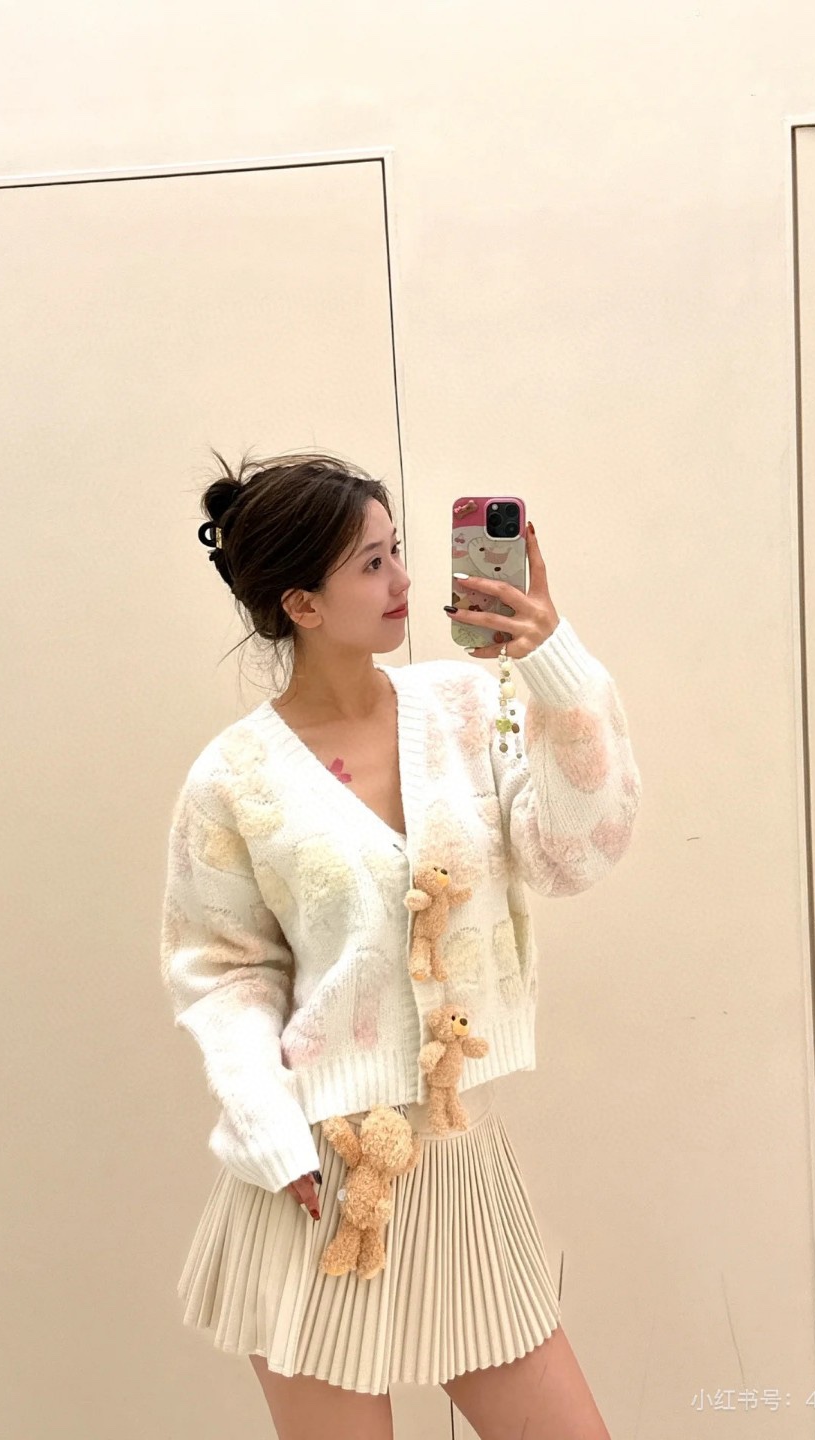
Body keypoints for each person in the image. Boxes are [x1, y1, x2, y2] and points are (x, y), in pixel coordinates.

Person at [160, 448, 641, 1440]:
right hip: (317, 1179)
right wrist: (265, 1126)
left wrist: (552, 665)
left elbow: (574, 853)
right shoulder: (233, 778)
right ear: (301, 603)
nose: (406, 581)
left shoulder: (468, 707)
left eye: (398, 551)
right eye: (372, 564)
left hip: (460, 1161)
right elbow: (224, 972)